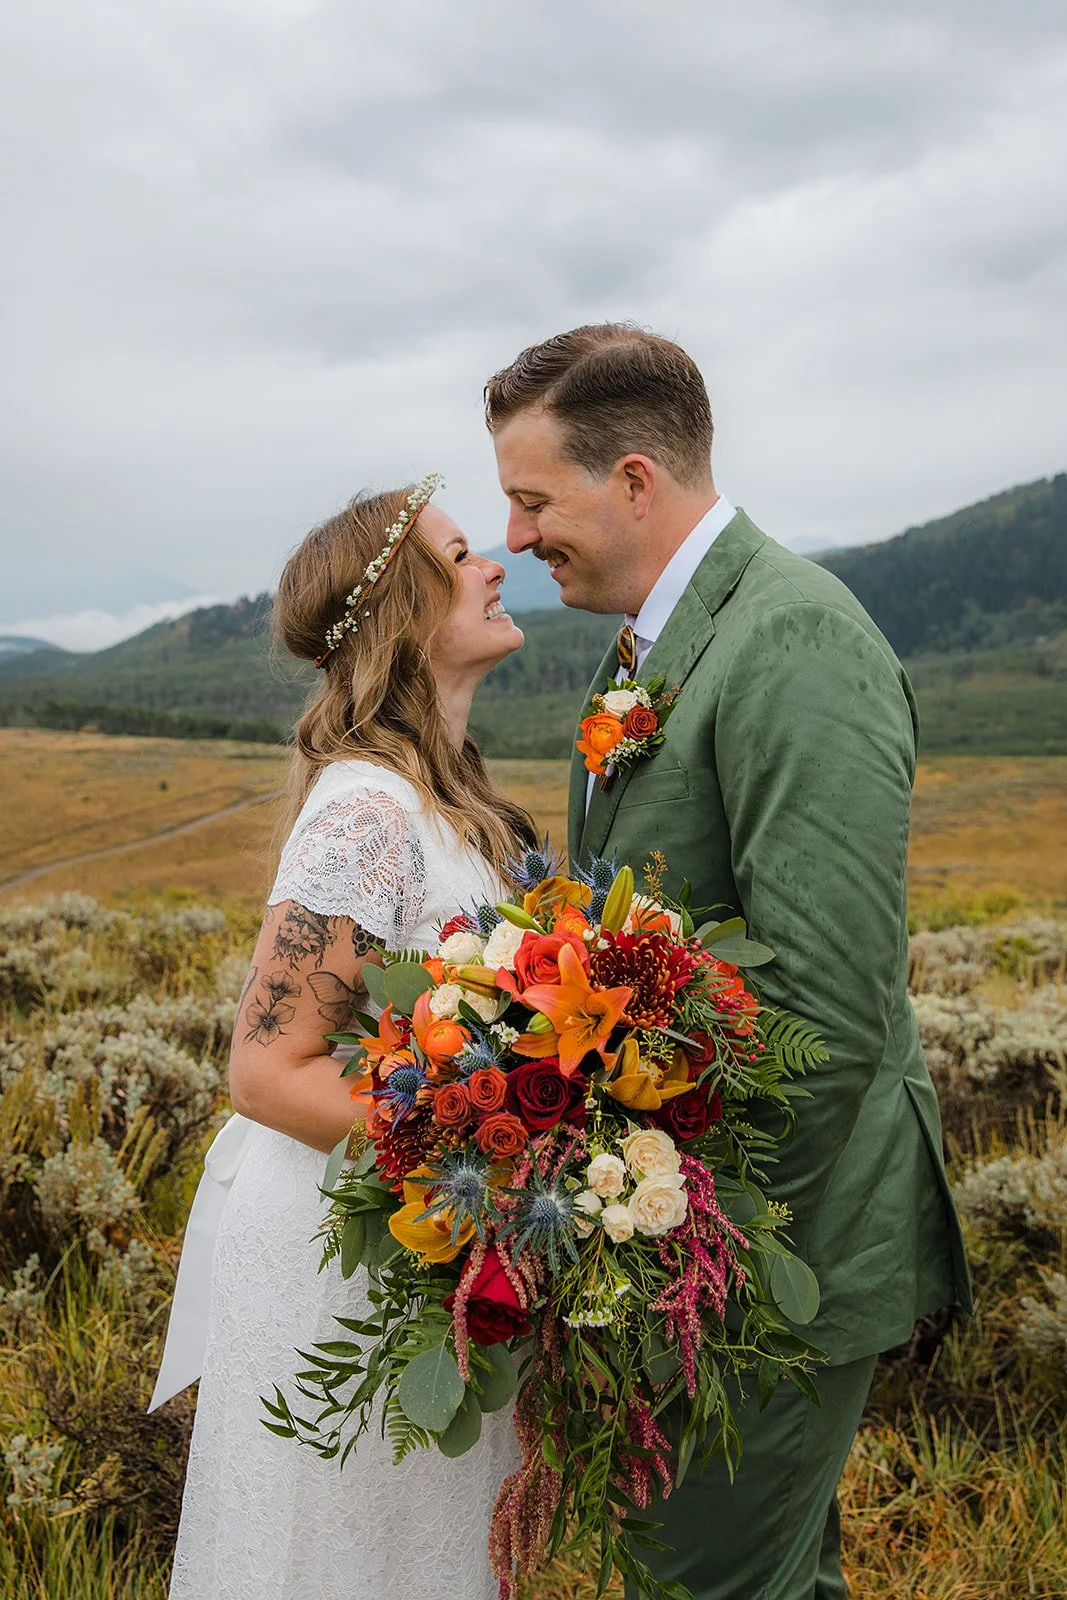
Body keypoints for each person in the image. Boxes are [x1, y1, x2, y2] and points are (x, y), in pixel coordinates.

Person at [485, 325, 972, 1600]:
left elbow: (827, 1002)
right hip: (702, 1233)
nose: (518, 538)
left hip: (775, 1244)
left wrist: (664, 1249)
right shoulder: (645, 647)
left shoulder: (794, 643)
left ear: (633, 480)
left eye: (533, 501)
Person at [161, 473, 533, 1600]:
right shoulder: (367, 808)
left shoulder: (449, 799)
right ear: (402, 610)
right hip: (351, 1249)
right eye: (462, 552)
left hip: (414, 1238)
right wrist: (489, 1165)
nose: (494, 564)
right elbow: (267, 1070)